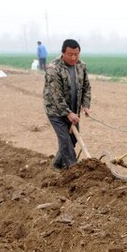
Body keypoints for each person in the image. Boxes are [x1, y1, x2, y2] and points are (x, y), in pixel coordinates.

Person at [43, 38, 91, 170]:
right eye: (70, 54)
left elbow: (86, 86)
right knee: (65, 140)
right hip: (56, 111)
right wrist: (68, 113)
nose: (74, 57)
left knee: (73, 140)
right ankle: (73, 170)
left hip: (73, 110)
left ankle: (57, 165)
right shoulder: (53, 69)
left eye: (76, 54)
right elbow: (55, 95)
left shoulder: (81, 66)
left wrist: (85, 105)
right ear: (63, 53)